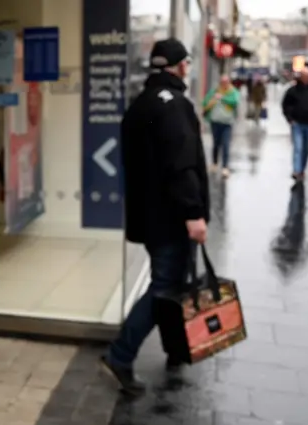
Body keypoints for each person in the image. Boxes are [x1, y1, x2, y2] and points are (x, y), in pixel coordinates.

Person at [100, 38, 210, 395]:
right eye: (187, 64)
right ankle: (120, 355)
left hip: (148, 217)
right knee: (164, 286)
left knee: (170, 284)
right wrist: (193, 214)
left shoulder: (139, 105)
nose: (188, 69)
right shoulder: (174, 106)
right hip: (171, 217)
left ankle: (175, 349)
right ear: (179, 66)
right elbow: (181, 166)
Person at [282, 67, 308, 181]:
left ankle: (302, 169)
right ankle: (296, 170)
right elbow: (285, 105)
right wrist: (289, 118)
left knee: (306, 148)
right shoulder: (293, 90)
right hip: (297, 123)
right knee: (298, 148)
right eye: (304, 76)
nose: (306, 79)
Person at [202, 75, 240, 178]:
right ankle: (214, 163)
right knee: (216, 144)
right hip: (215, 122)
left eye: (226, 82)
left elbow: (235, 101)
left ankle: (225, 167)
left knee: (226, 145)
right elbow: (205, 102)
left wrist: (222, 98)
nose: (224, 84)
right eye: (222, 82)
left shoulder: (233, 92)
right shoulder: (214, 91)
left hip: (227, 123)